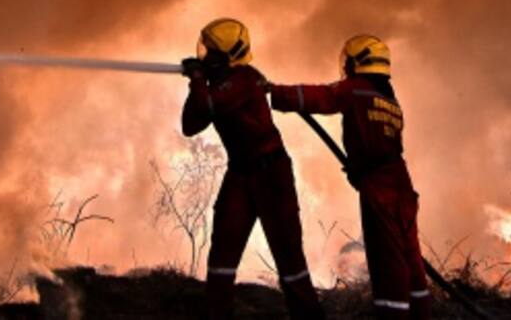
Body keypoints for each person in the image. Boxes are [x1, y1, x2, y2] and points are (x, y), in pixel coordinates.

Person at [269, 35, 430, 319]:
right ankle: (422, 312)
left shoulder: (356, 89)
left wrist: (276, 93)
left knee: (387, 262)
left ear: (358, 63)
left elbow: (323, 96)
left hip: (380, 189)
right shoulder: (389, 100)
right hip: (401, 186)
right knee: (411, 259)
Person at [181, 17, 324, 320]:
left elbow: (208, 107)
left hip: (271, 174)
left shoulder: (244, 80)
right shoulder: (215, 86)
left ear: (225, 55)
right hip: (240, 173)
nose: (205, 55)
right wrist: (198, 82)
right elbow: (190, 125)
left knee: (289, 260)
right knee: (222, 253)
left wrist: (196, 78)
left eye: (210, 52)